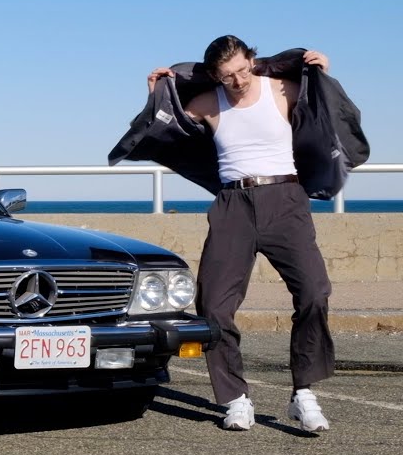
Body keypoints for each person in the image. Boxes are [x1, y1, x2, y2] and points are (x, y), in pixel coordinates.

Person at [142, 36, 343, 432]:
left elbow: (325, 106)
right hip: (233, 205)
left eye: (242, 69)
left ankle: (303, 393)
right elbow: (167, 130)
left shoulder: (283, 89)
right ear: (215, 76)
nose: (238, 80)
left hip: (285, 199)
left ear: (252, 59)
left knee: (314, 293)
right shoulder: (209, 103)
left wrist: (324, 73)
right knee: (214, 305)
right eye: (227, 76)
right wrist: (156, 95)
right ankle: (236, 398)